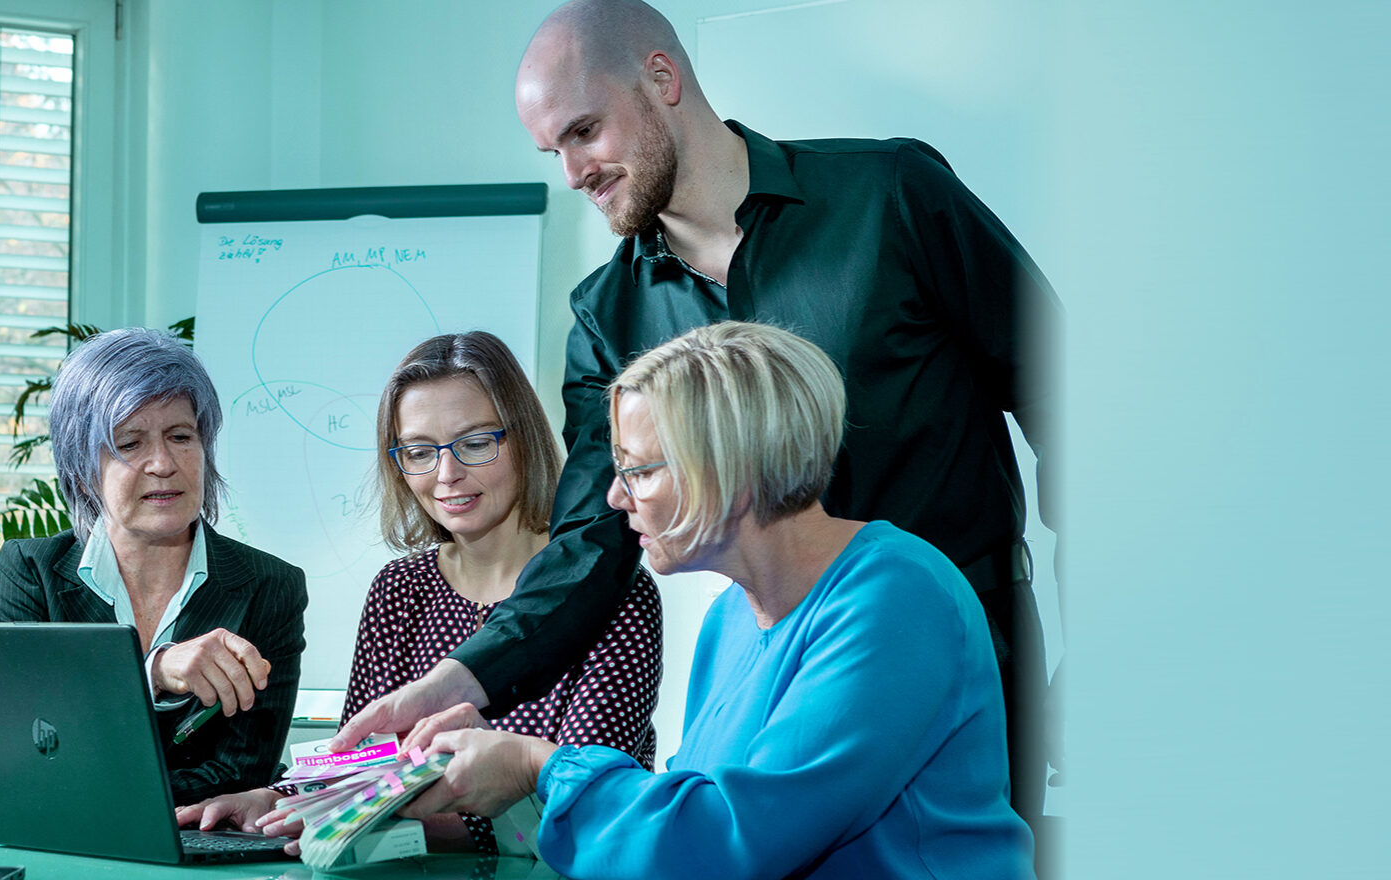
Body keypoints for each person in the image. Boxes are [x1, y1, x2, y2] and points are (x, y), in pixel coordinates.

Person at [336, 0, 1058, 822]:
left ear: (662, 77)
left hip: (965, 642)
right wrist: (459, 678)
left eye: (584, 132)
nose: (572, 174)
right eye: (553, 150)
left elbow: (1065, 398)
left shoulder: (890, 196)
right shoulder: (609, 317)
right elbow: (588, 545)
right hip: (771, 670)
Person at [407, 322, 1052, 880]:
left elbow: (729, 836)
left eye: (638, 472)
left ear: (728, 471)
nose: (614, 497)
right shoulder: (731, 621)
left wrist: (533, 766)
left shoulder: (896, 598)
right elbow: (689, 815)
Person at [175, 332, 662, 852]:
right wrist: (277, 801)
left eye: (475, 443)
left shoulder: (613, 590)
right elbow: (357, 766)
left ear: (523, 439)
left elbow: (580, 799)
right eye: (419, 452)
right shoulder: (400, 588)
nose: (447, 474)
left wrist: (370, 822)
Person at [0, 327, 306, 805]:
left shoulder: (270, 587)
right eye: (130, 443)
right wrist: (151, 673)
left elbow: (242, 772)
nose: (163, 463)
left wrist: (86, 784)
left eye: (181, 436)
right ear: (80, 466)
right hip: (61, 850)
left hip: (202, 858)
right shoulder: (31, 572)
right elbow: (12, 747)